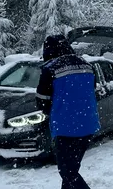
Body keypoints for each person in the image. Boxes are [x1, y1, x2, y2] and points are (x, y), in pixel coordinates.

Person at [36, 34, 100, 189]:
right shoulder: (87, 65)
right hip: (88, 125)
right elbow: (92, 91)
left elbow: (42, 101)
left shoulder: (50, 69)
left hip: (66, 128)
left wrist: (53, 109)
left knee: (68, 173)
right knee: (71, 170)